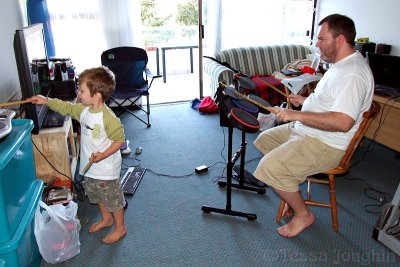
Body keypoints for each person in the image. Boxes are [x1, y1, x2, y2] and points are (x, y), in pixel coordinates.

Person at [253, 14, 374, 237]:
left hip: (325, 143)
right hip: (308, 132)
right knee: (263, 140)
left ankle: (303, 215)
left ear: (339, 40)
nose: (316, 44)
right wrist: (305, 102)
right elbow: (330, 102)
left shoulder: (352, 75)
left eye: (321, 39)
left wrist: (295, 115)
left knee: (268, 167)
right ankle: (290, 187)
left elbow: (343, 121)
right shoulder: (340, 65)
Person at [28, 66, 127, 244]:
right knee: (96, 195)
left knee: (112, 198)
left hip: (106, 168)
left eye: (81, 90)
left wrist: (103, 155)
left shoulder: (109, 118)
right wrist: (46, 100)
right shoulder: (83, 110)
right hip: (89, 167)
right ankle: (106, 219)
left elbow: (119, 140)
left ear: (96, 95)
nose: (78, 93)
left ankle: (120, 228)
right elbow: (65, 107)